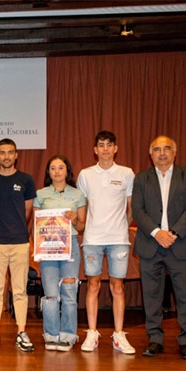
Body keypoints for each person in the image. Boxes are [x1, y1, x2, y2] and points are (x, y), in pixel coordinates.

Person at [132, 136, 186, 360]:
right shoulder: (142, 178)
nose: (162, 153)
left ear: (175, 151)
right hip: (150, 244)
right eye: (157, 150)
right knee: (151, 296)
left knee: (185, 295)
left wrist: (173, 233)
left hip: (181, 243)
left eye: (166, 149)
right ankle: (155, 339)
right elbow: (137, 210)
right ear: (150, 154)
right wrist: (156, 233)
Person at [76, 131, 136, 355]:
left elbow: (130, 208)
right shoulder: (85, 175)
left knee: (117, 287)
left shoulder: (127, 173)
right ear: (95, 149)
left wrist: (121, 227)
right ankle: (92, 332)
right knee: (92, 285)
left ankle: (119, 335)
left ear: (115, 148)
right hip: (92, 239)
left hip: (118, 240)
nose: (105, 149)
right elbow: (82, 206)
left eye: (109, 145)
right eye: (101, 145)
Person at [0, 138, 36, 352]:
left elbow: (27, 211)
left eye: (10, 152)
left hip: (20, 242)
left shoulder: (26, 179)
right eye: (2, 153)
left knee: (20, 290)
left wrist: (16, 229)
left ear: (16, 155)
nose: (6, 156)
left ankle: (21, 332)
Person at [33, 155, 86, 351]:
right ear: (48, 172)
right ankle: (51, 334)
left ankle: (69, 334)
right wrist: (36, 248)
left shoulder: (77, 195)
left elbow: (81, 226)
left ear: (67, 171)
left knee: (69, 292)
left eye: (60, 167)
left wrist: (74, 220)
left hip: (69, 245)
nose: (56, 171)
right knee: (51, 294)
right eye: (53, 168)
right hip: (47, 247)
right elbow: (36, 225)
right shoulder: (40, 194)